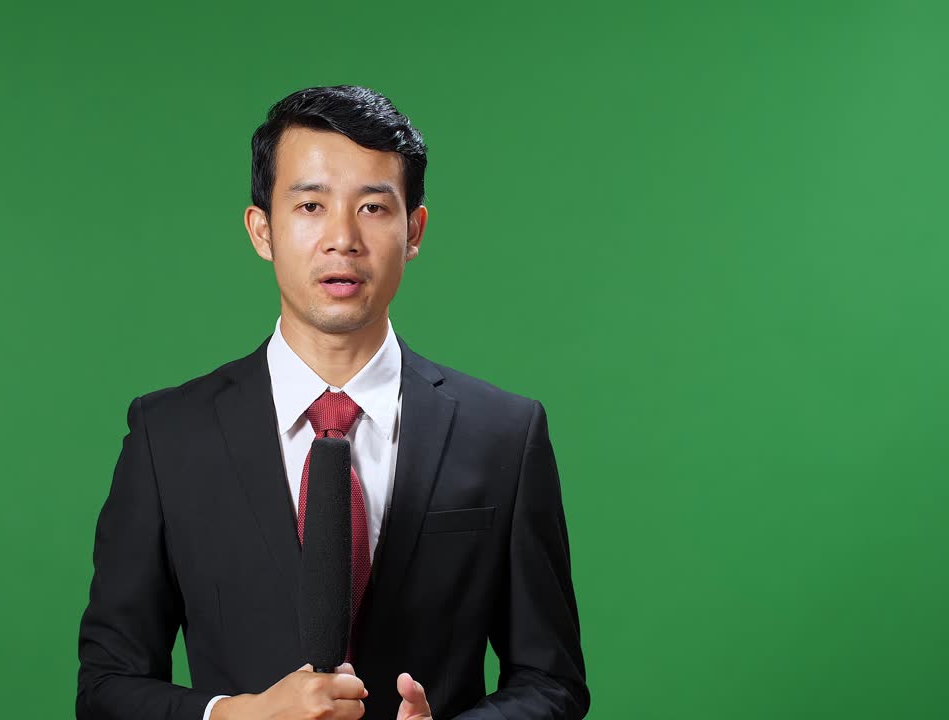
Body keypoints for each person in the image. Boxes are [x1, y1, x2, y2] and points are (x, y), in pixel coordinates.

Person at [76, 85, 589, 720]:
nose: (342, 238)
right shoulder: (167, 436)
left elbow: (552, 681)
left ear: (414, 231)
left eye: (373, 208)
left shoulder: (505, 435)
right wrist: (235, 716)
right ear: (262, 229)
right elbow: (105, 686)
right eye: (311, 205)